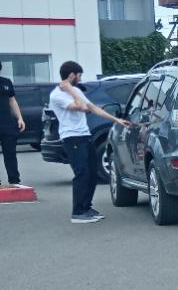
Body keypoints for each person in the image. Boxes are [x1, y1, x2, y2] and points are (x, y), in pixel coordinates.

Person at [49, 61, 131, 223]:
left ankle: (87, 207)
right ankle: (78, 212)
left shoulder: (77, 90)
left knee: (93, 172)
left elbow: (92, 108)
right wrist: (70, 90)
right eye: (79, 76)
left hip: (85, 135)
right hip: (71, 137)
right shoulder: (57, 95)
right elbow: (80, 106)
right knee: (82, 173)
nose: (80, 79)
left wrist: (117, 120)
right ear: (71, 75)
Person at [0, 60, 24, 187]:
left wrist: (19, 118)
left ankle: (14, 181)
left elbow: (12, 101)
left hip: (7, 124)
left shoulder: (6, 82)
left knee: (10, 154)